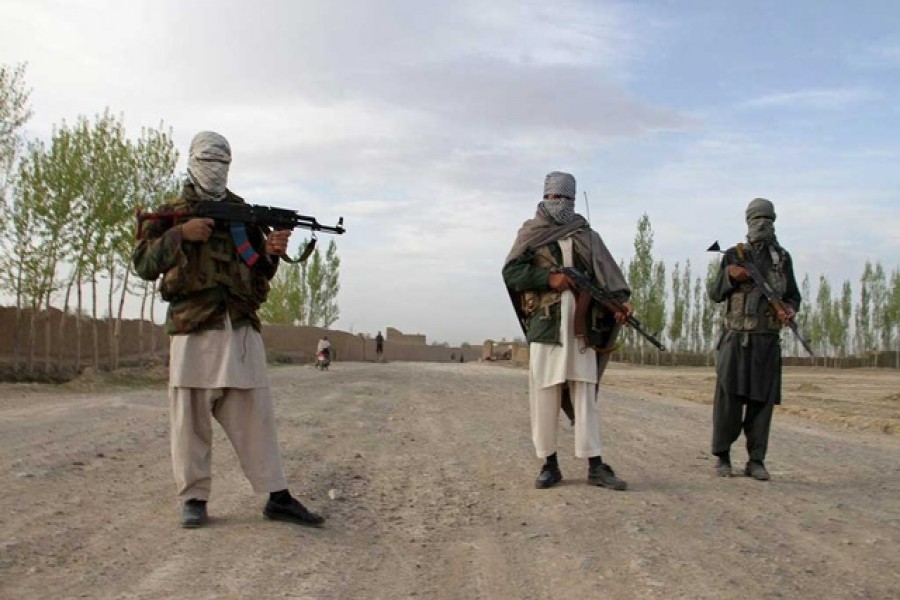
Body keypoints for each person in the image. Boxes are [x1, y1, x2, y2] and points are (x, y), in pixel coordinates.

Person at [132, 131, 324, 528]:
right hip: (192, 325)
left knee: (255, 413)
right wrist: (179, 235)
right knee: (190, 417)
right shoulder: (170, 214)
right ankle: (194, 499)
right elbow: (144, 264)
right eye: (209, 162)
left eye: (223, 164)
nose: (215, 170)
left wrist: (272, 252)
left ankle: (277, 495)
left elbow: (258, 270)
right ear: (192, 162)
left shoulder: (243, 214)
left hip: (238, 324)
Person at [502, 171, 632, 491]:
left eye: (563, 198)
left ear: (573, 201)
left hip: (582, 331)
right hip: (546, 328)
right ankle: (549, 464)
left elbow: (607, 277)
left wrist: (620, 304)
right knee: (544, 396)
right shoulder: (531, 233)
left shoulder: (586, 236)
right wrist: (549, 279)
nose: (557, 203)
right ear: (544, 197)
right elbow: (512, 272)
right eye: (552, 197)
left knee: (585, 394)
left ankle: (595, 464)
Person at [708, 197, 801, 481]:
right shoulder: (734, 254)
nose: (763, 224)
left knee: (762, 404)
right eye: (758, 219)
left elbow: (793, 295)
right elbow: (715, 294)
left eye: (768, 219)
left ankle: (756, 460)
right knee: (728, 400)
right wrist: (730, 276)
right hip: (736, 339)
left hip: (767, 341)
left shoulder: (782, 259)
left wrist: (789, 310)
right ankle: (723, 457)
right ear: (748, 221)